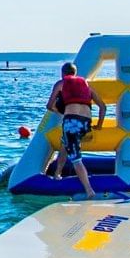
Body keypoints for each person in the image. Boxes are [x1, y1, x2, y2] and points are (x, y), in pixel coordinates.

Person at [40, 62, 109, 196]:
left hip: (71, 123)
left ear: (63, 73)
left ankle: (89, 190)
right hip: (85, 123)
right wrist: (99, 125)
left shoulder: (61, 84)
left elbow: (49, 105)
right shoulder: (87, 85)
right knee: (64, 143)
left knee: (76, 158)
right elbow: (103, 107)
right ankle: (57, 174)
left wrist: (60, 111)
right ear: (75, 73)